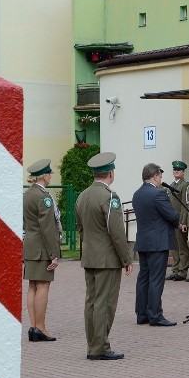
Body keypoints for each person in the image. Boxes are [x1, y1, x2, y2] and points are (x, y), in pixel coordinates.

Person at [75, 152, 133, 360]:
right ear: (110, 172)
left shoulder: (83, 196)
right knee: (105, 303)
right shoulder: (110, 197)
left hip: (90, 255)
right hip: (107, 258)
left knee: (91, 302)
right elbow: (117, 232)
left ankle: (93, 345)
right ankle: (100, 347)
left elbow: (80, 227)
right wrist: (126, 258)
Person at [132, 163, 180, 327]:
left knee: (143, 278)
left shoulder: (137, 194)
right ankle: (155, 315)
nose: (161, 179)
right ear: (154, 176)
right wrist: (176, 218)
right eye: (160, 176)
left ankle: (142, 314)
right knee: (156, 279)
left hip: (143, 241)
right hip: (158, 242)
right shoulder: (158, 194)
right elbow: (172, 216)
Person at [22, 158, 62, 342]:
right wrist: (54, 254)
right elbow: (47, 227)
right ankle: (41, 327)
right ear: (45, 176)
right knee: (43, 286)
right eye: (49, 174)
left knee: (32, 286)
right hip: (42, 247)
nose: (50, 177)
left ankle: (33, 326)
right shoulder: (44, 197)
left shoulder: (28, 194)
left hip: (30, 245)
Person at [166, 161, 189, 281]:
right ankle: (175, 270)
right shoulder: (170, 185)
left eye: (179, 170)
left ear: (183, 172)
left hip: (179, 220)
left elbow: (185, 205)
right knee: (174, 247)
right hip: (171, 220)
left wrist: (183, 221)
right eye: (175, 169)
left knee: (182, 247)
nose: (176, 171)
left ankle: (182, 271)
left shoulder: (185, 185)